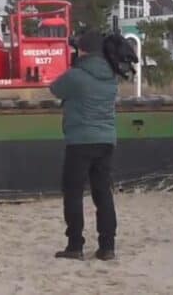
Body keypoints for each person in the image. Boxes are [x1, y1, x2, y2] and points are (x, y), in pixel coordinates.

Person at [49, 29, 118, 261]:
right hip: (106, 140)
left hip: (79, 141)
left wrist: (73, 64)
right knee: (103, 194)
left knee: (73, 193)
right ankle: (107, 247)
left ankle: (75, 245)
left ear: (82, 50)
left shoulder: (76, 75)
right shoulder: (112, 74)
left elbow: (55, 88)